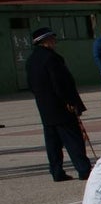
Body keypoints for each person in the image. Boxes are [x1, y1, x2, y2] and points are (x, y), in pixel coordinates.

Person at [26, 27, 93, 182]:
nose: (54, 41)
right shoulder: (52, 58)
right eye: (52, 38)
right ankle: (83, 170)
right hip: (61, 107)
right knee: (73, 139)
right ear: (45, 41)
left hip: (45, 107)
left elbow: (30, 85)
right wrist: (69, 101)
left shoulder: (31, 60)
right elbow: (60, 83)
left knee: (53, 142)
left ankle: (56, 171)